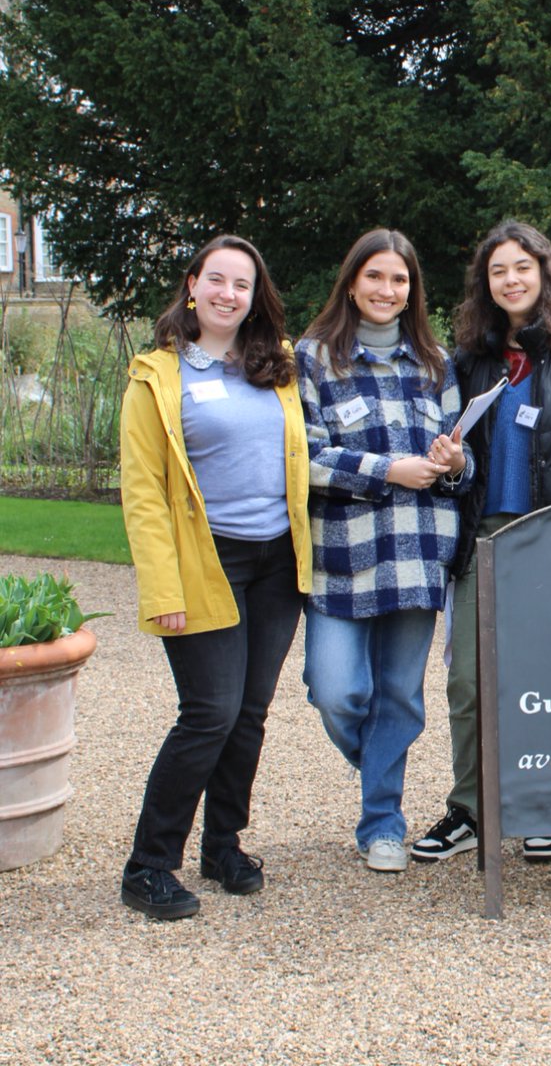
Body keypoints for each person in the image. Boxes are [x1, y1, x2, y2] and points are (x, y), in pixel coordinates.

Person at [411, 221, 551, 864]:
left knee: (549, 676)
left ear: (544, 271)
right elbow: (459, 452)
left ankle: (542, 803)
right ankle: (471, 808)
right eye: (498, 270)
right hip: (484, 535)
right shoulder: (469, 358)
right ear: (486, 282)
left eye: (522, 268)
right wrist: (451, 462)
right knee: (471, 681)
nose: (510, 279)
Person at [119, 235, 312, 920]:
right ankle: (148, 866)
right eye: (219, 280)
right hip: (208, 563)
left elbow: (301, 461)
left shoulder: (277, 366)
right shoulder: (157, 375)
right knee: (209, 713)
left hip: (275, 566)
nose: (231, 294)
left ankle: (223, 846)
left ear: (256, 297)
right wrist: (162, 590)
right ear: (193, 285)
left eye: (244, 285)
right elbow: (143, 493)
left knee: (250, 715)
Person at [295, 229, 473, 872]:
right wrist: (385, 469)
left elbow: (462, 459)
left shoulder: (435, 363)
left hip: (418, 550)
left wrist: (455, 461)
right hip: (341, 555)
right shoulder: (313, 358)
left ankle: (382, 823)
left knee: (399, 696)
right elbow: (304, 455)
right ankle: (378, 769)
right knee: (335, 690)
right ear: (351, 282)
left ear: (411, 292)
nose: (386, 290)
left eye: (399, 280)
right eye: (375, 276)